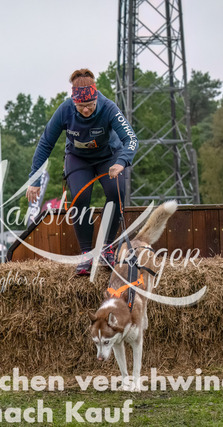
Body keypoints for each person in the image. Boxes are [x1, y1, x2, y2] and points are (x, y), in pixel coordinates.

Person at [26, 68, 139, 275]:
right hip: (78, 158)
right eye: (81, 106)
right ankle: (86, 253)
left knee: (116, 192)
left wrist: (122, 162)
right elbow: (45, 144)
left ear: (96, 99)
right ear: (74, 101)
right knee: (80, 196)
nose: (86, 110)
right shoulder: (65, 110)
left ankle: (107, 248)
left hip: (108, 157)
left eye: (90, 105)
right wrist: (34, 180)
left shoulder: (108, 107)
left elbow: (131, 138)